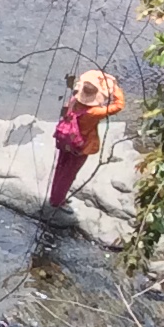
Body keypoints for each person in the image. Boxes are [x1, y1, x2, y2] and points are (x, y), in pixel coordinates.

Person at [44, 68, 124, 219]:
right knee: (69, 173)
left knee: (61, 168)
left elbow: (85, 82)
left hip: (66, 141)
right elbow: (118, 106)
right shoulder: (93, 113)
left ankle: (55, 196)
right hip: (80, 146)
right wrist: (115, 88)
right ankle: (57, 201)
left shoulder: (74, 100)